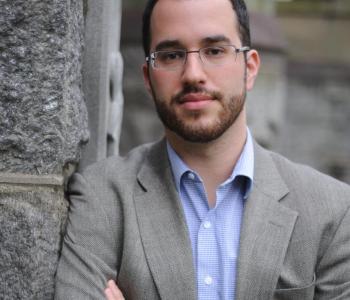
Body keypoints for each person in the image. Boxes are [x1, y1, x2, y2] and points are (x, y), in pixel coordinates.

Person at [54, 0, 350, 299]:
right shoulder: (102, 196)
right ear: (147, 78)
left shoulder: (332, 212)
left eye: (214, 51)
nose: (193, 74)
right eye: (171, 55)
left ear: (250, 68)